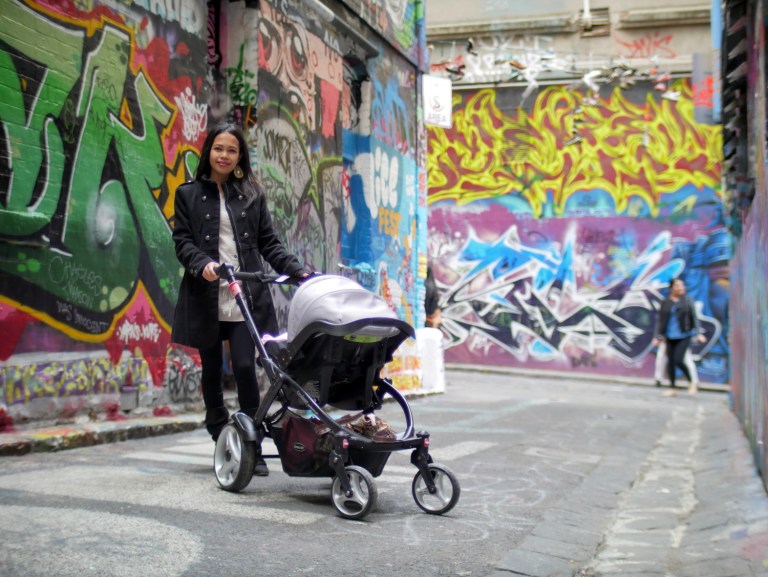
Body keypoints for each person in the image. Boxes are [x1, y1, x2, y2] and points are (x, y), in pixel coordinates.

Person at [171, 121, 309, 476]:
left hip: (244, 295)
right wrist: (202, 264)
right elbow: (182, 242)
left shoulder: (251, 194)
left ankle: (251, 441)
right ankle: (220, 432)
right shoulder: (187, 194)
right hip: (206, 294)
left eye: (232, 150)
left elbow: (269, 243)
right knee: (213, 369)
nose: (224, 155)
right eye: (219, 148)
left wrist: (298, 271)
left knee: (247, 367)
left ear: (239, 157)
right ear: (209, 151)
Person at [652, 278, 706, 396]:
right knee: (670, 361)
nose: (681, 288)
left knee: (678, 359)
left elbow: (694, 318)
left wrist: (698, 333)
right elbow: (660, 320)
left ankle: (692, 382)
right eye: (677, 285)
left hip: (683, 335)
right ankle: (672, 387)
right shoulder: (665, 302)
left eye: (682, 285)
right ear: (671, 288)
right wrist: (657, 336)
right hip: (669, 336)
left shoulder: (687, 301)